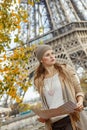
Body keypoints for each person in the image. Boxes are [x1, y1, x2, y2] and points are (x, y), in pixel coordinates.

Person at [31, 44, 87, 130]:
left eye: (52, 53)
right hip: (53, 124)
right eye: (47, 55)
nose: (52, 56)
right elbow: (47, 103)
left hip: (70, 119)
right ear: (41, 60)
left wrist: (79, 102)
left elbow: (78, 89)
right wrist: (43, 117)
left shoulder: (66, 69)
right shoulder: (38, 80)